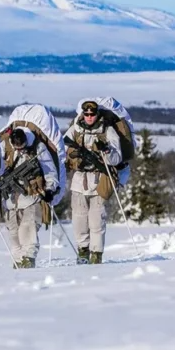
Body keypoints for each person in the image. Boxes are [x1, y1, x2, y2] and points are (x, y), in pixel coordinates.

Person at [63, 99, 122, 264]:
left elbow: (117, 157)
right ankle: (83, 251)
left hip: (99, 179)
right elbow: (62, 147)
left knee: (97, 219)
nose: (89, 117)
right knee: (79, 218)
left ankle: (96, 254)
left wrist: (107, 151)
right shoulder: (75, 129)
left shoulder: (107, 130)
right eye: (86, 114)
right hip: (79, 179)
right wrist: (73, 156)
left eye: (92, 114)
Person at [1, 126, 59, 269]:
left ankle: (28, 258)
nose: (20, 150)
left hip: (32, 195)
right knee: (13, 233)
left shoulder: (37, 148)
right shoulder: (5, 147)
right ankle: (18, 261)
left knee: (29, 227)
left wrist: (50, 189)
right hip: (10, 199)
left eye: (22, 147)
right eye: (17, 147)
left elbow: (49, 170)